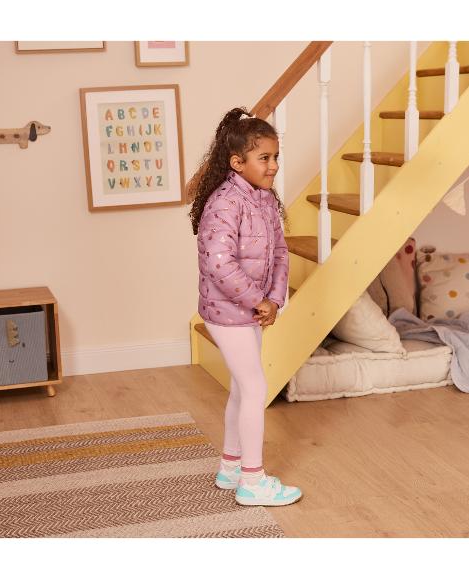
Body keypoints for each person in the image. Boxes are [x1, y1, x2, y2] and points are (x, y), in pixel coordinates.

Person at [188, 107, 302, 507]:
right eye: (264, 158)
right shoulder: (224, 203)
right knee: (255, 388)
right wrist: (258, 300)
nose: (273, 166)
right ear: (237, 163)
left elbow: (282, 252)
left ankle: (231, 466)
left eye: (276, 157)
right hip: (227, 312)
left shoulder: (265, 200)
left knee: (242, 387)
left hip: (251, 311)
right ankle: (253, 481)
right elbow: (218, 264)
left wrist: (274, 299)